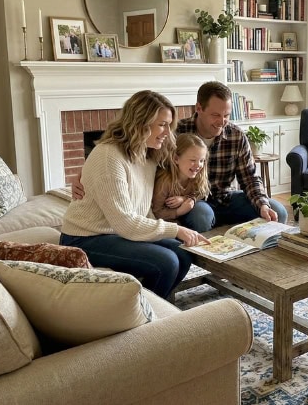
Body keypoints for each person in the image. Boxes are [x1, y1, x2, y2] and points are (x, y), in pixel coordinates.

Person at [59, 90, 208, 299]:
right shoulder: (109, 156)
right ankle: (141, 311)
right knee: (166, 262)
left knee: (183, 253)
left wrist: (187, 199)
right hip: (85, 237)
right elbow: (125, 223)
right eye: (162, 124)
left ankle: (158, 304)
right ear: (140, 123)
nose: (168, 132)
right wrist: (176, 230)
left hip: (117, 233)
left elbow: (190, 162)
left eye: (169, 125)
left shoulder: (149, 152)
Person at [176, 81, 288, 232]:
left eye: (226, 115)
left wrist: (263, 204)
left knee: (278, 211)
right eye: (215, 115)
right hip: (195, 201)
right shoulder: (178, 133)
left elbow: (250, 178)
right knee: (201, 217)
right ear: (199, 108)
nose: (221, 122)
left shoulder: (236, 135)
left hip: (227, 199)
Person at [151, 133, 210, 221]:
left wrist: (184, 199)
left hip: (189, 213)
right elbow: (156, 212)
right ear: (176, 159)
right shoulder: (164, 182)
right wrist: (178, 212)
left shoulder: (198, 176)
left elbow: (202, 193)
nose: (199, 165)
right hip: (169, 217)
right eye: (193, 160)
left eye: (201, 160)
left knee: (203, 214)